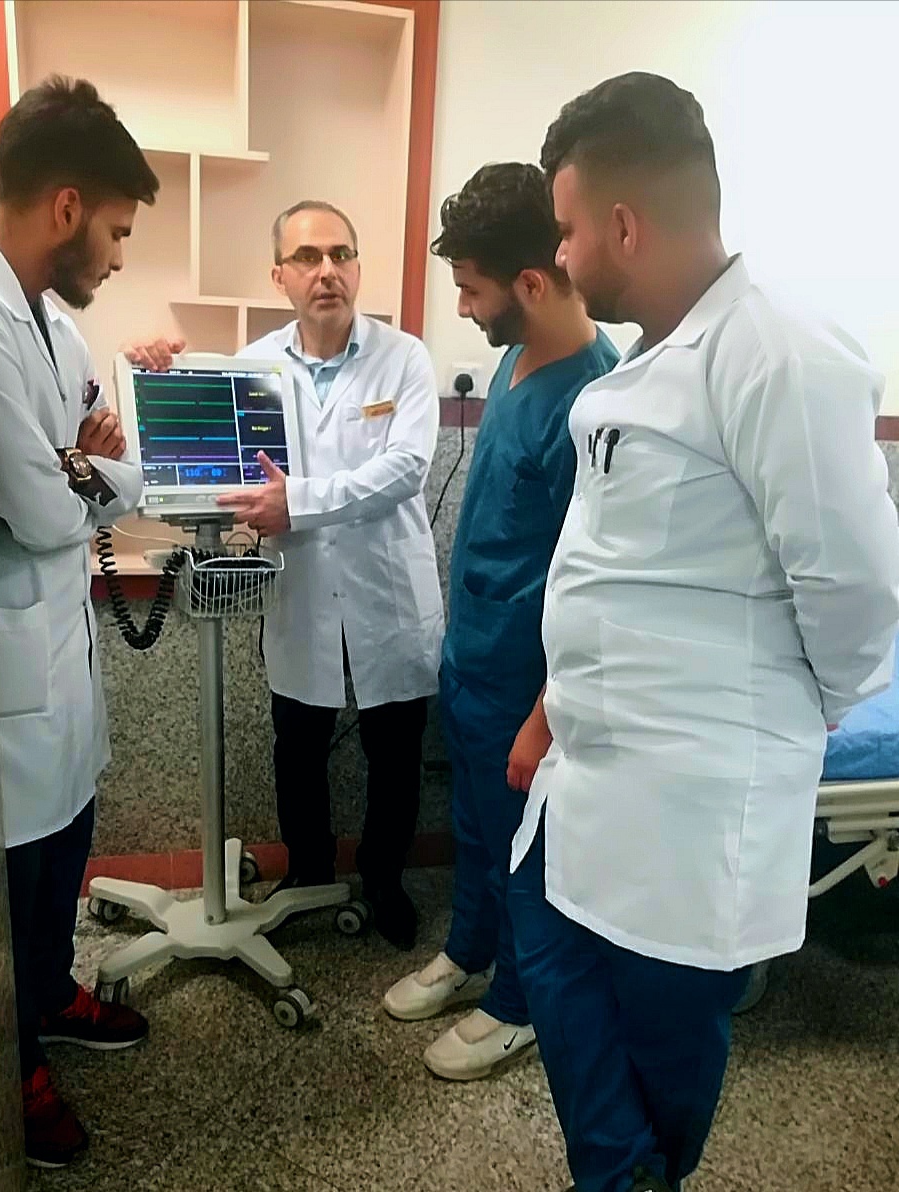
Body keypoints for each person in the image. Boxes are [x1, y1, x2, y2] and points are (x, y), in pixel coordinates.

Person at [504, 72, 899, 1192]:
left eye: (569, 230)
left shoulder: (778, 352)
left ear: (624, 225)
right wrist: (553, 707)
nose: (563, 255)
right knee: (547, 948)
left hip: (690, 803)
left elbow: (856, 590)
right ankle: (623, 1174)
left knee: (663, 1036)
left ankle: (633, 1177)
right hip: (595, 771)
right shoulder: (651, 360)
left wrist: (788, 716)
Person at [382, 164, 617, 1081]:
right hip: (473, 662)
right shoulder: (517, 360)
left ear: (528, 283)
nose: (464, 308)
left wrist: (545, 712)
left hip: (526, 686)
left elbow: (598, 586)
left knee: (527, 853)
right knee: (476, 832)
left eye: (471, 290)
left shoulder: (598, 404)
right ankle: (468, 953)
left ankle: (517, 1005)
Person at [0, 76, 159, 1168]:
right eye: (118, 232)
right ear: (68, 206)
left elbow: (117, 472)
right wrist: (79, 471)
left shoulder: (53, 324)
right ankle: (18, 1059)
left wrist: (77, 466)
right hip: (11, 664)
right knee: (20, 875)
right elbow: (39, 511)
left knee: (70, 839)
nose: (120, 257)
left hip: (61, 656)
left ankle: (52, 992)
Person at [215, 201, 444, 950]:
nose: (326, 271)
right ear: (279, 275)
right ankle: (309, 873)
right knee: (298, 745)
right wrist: (154, 365)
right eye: (307, 257)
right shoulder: (252, 366)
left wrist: (300, 502)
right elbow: (229, 468)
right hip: (303, 590)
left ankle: (384, 877)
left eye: (340, 254)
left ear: (357, 267)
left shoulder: (404, 357)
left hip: (386, 590)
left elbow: (406, 469)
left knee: (395, 750)